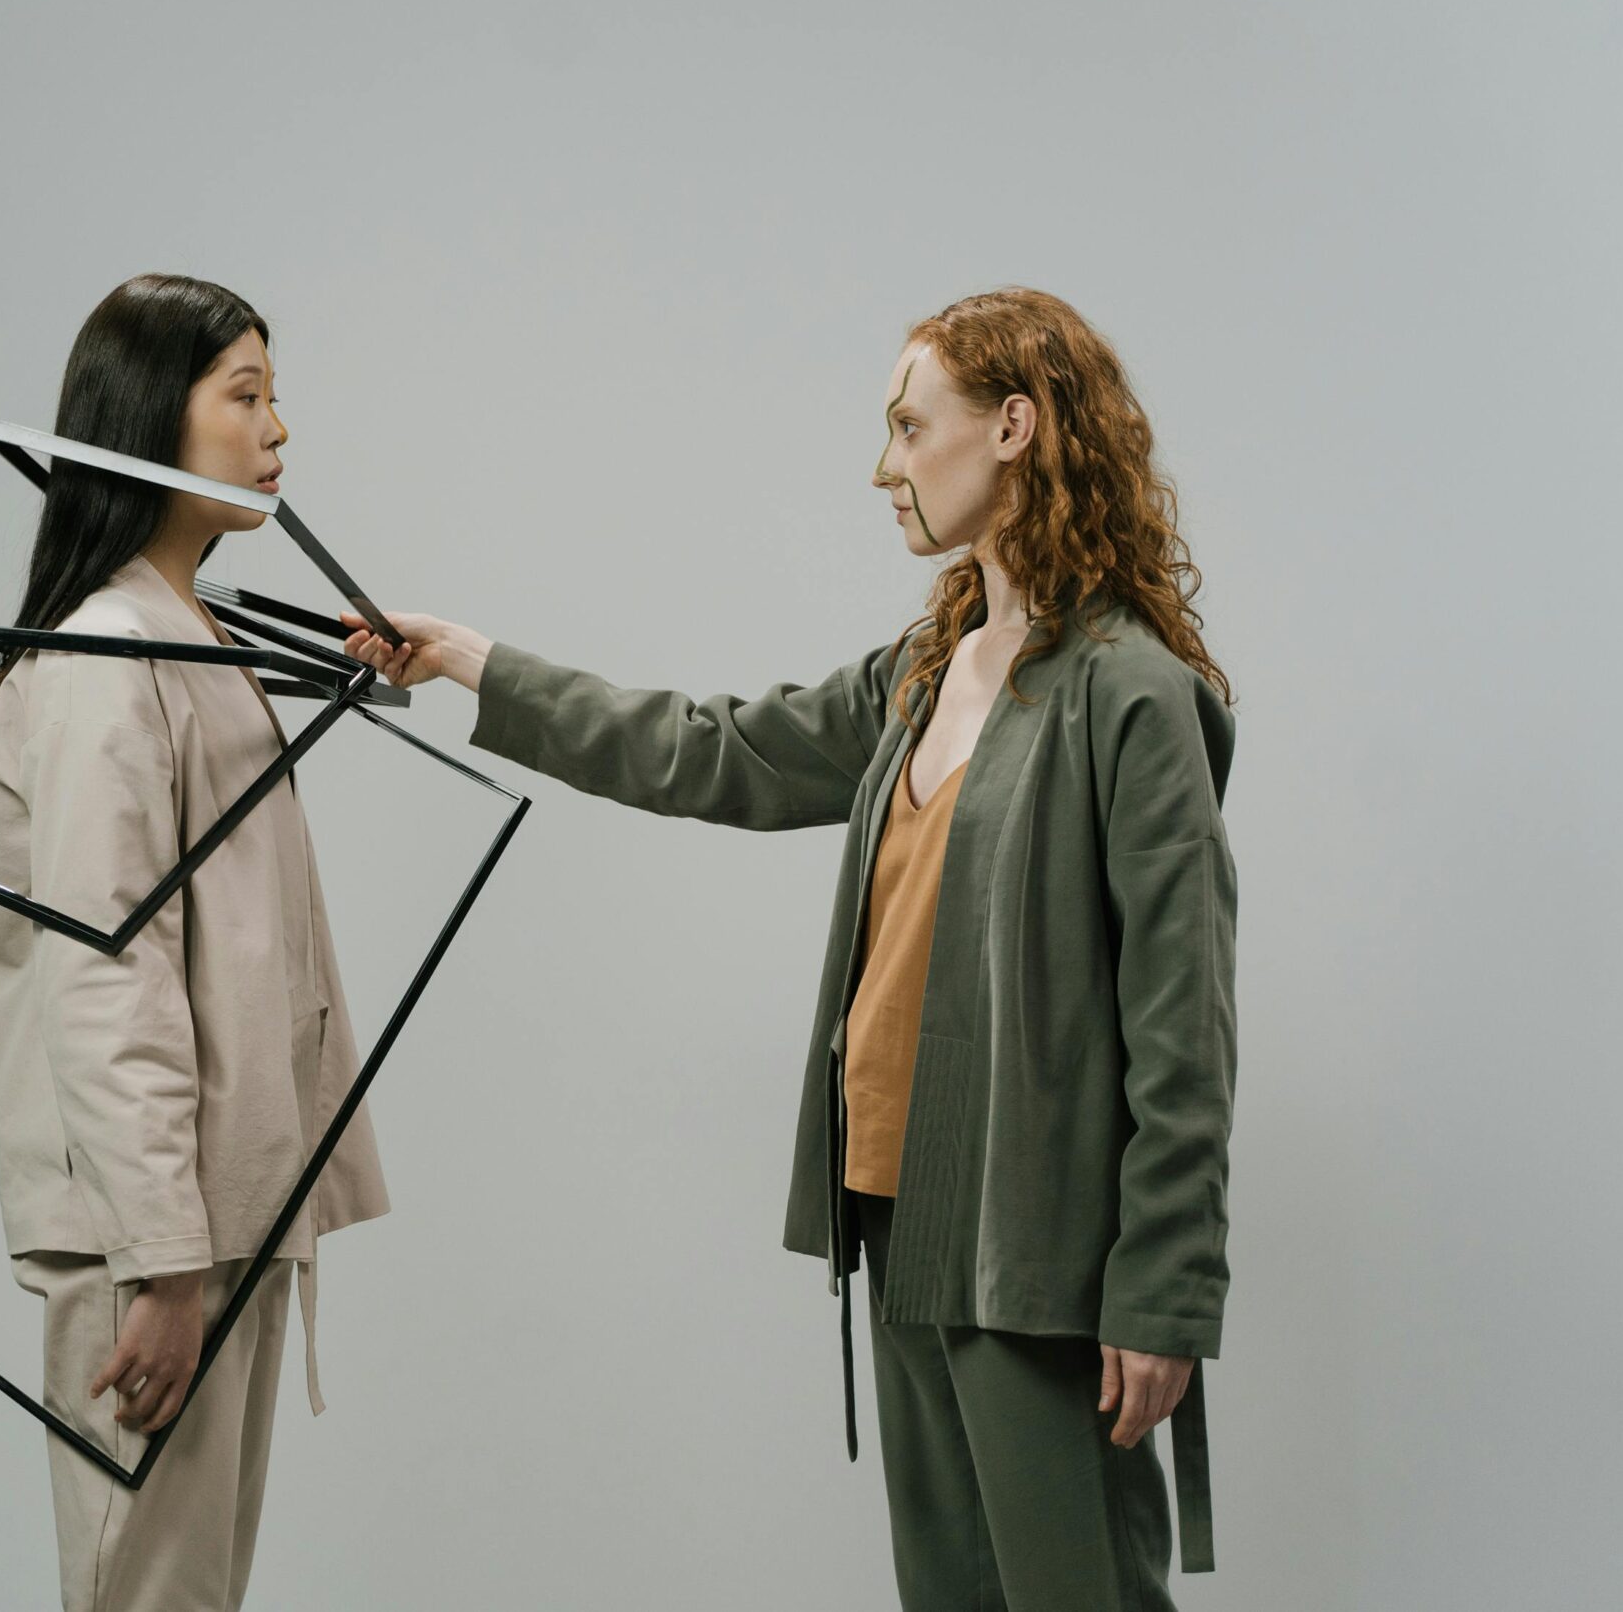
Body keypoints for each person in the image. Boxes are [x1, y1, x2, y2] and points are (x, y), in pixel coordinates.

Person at [342, 287, 1238, 1610]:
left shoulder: (1134, 693)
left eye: (906, 424)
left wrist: (1161, 1295)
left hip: (1040, 1252)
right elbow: (715, 750)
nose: (885, 466)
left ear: (1012, 426)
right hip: (896, 1213)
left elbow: (1184, 1023)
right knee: (948, 1592)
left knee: (1078, 1593)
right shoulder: (925, 668)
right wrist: (477, 662)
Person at [0, 272, 389, 1612]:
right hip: (160, 1238)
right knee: (147, 1595)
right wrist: (160, 1260)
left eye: (278, 398)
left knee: (187, 1594)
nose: (279, 433)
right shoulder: (107, 655)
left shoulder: (187, 635)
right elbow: (107, 971)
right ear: (154, 418)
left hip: (222, 1218)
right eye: (246, 395)